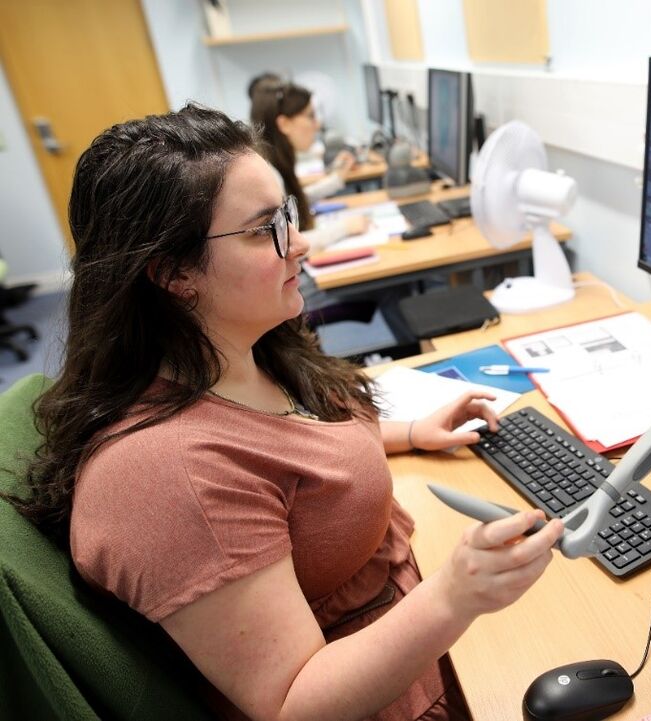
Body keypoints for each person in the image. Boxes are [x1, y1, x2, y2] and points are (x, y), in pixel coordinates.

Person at [5, 104, 564, 721]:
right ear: (172, 272)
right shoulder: (167, 478)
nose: (298, 242)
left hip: (410, 624)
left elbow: (283, 444)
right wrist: (457, 595)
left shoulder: (242, 349)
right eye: (263, 228)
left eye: (288, 215)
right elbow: (290, 705)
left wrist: (407, 432)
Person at [250, 81, 367, 252]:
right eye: (310, 116)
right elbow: (285, 246)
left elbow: (293, 201)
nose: (317, 124)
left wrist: (336, 179)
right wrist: (344, 228)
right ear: (284, 124)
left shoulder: (273, 160)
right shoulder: (268, 173)